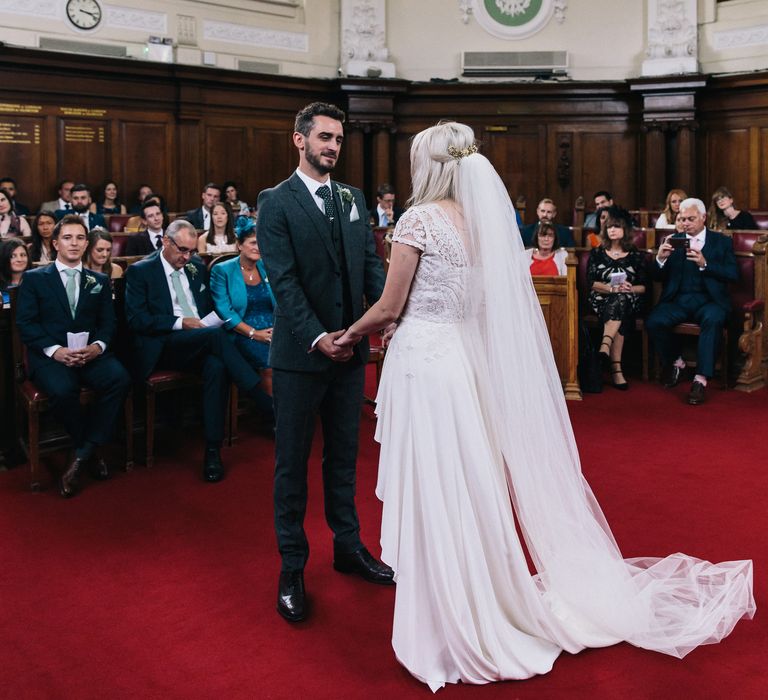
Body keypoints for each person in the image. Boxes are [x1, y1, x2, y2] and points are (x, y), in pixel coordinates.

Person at [334, 122, 754, 691]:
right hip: (461, 358)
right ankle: (478, 592)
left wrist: (343, 335)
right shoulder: (479, 222)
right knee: (468, 480)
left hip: (427, 363)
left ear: (428, 165)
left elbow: (388, 307)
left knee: (437, 479)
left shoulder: (419, 220)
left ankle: (451, 615)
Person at [256, 101, 393, 624]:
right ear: (300, 140)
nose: (332, 146)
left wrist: (382, 318)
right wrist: (318, 337)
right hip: (299, 356)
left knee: (343, 458)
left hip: (351, 352)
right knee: (291, 465)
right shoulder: (276, 202)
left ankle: (348, 546)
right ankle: (292, 566)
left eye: (338, 139)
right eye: (324, 138)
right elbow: (283, 282)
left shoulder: (353, 198)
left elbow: (367, 268)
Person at [124, 219, 270, 482]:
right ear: (165, 242)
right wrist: (180, 322)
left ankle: (212, 451)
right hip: (164, 344)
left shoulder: (194, 268)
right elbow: (137, 320)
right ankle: (261, 398)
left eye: (191, 251)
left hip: (200, 340)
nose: (187, 257)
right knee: (215, 337)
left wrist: (204, 322)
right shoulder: (140, 271)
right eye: (182, 250)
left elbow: (208, 308)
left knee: (217, 365)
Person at [15, 215, 131, 498]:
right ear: (55, 243)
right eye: (67, 237)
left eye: (80, 238)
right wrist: (56, 351)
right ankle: (88, 450)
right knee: (63, 389)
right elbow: (26, 324)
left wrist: (98, 347)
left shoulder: (99, 280)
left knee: (119, 379)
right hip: (51, 356)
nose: (75, 243)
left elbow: (108, 323)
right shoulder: (34, 279)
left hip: (90, 354)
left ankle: (81, 453)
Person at [646, 198, 739, 405]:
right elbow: (656, 277)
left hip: (709, 301)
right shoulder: (673, 240)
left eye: (690, 219)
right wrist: (660, 259)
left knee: (713, 319)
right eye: (682, 219)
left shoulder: (721, 242)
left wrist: (706, 264)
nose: (686, 223)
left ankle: (700, 379)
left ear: (703, 218)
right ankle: (677, 362)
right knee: (653, 321)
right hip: (679, 300)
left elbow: (733, 274)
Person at [210, 216, 275, 396]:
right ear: (239, 245)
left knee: (301, 354)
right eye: (253, 242)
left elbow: (281, 301)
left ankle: (296, 411)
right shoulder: (222, 270)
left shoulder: (267, 266)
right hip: (241, 331)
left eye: (261, 242)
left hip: (274, 328)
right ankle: (274, 416)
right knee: (269, 364)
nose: (258, 247)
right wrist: (254, 334)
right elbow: (225, 311)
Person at [587, 206, 647, 390]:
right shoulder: (597, 253)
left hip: (628, 297)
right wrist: (610, 288)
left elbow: (643, 287)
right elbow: (591, 282)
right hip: (600, 297)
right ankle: (616, 370)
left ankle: (605, 347)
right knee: (620, 303)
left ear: (625, 230)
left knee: (621, 300)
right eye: (610, 227)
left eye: (617, 226)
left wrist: (629, 287)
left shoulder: (635, 255)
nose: (612, 230)